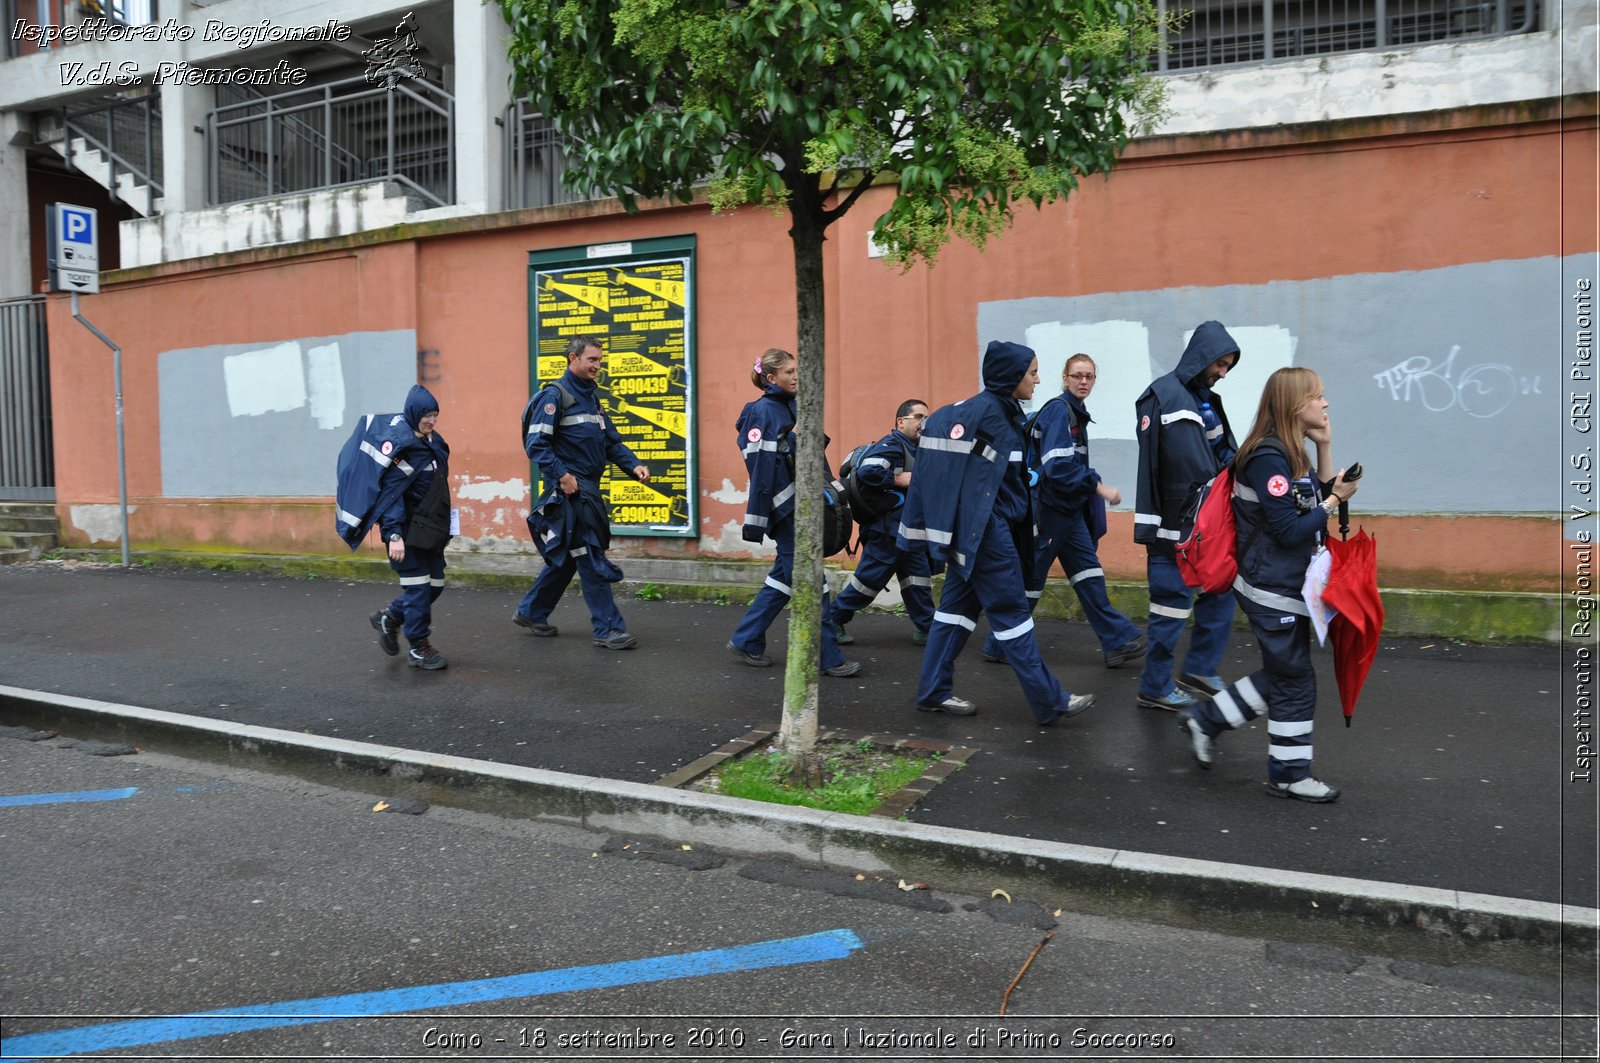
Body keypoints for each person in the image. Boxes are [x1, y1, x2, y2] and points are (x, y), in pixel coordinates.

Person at [1177, 367, 1360, 802]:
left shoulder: (1288, 451)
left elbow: (1308, 498)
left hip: (1286, 580)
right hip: (1268, 584)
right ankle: (1289, 775)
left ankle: (1207, 720)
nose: (1325, 403)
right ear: (1295, 404)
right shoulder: (1267, 457)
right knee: (1295, 679)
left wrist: (1325, 449)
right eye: (1318, 396)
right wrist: (1336, 502)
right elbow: (1289, 529)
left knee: (1286, 672)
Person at [898, 339, 1095, 724]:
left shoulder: (980, 413)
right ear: (1011, 377)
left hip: (970, 532)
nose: (1037, 381)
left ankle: (933, 691)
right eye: (1032, 373)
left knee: (954, 611)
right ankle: (1050, 701)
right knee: (1012, 613)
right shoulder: (995, 419)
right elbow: (990, 487)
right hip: (988, 533)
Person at [980, 354, 1145, 669]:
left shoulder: (1075, 414)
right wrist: (1098, 487)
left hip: (1067, 513)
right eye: (1077, 376)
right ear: (1065, 377)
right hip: (1047, 513)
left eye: (1089, 377)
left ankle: (1116, 641)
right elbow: (1058, 468)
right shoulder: (1059, 412)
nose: (1084, 382)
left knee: (1089, 575)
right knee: (1031, 582)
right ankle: (999, 643)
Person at [727, 347, 860, 677]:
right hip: (787, 512)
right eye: (789, 372)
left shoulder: (785, 407)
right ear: (771, 378)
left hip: (798, 508)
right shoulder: (763, 412)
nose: (796, 375)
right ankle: (829, 657)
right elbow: (761, 469)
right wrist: (759, 519)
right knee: (813, 581)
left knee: (783, 580)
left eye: (797, 370)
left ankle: (746, 638)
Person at [514, 336, 650, 650]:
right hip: (570, 493)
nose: (597, 366)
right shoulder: (554, 396)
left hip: (587, 488)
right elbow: (536, 445)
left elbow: (610, 443)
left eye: (600, 361)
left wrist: (634, 465)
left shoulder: (592, 399)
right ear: (573, 358)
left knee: (569, 557)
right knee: (589, 555)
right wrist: (562, 475)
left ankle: (531, 611)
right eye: (592, 360)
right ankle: (608, 629)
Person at [1133, 321, 1241, 711]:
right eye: (1220, 364)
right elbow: (1194, 466)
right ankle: (1155, 686)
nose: (1223, 373)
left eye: (1228, 366)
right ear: (1203, 356)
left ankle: (1198, 667)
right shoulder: (1170, 396)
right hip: (1174, 525)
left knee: (1220, 586)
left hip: (1202, 522)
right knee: (1171, 605)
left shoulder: (1201, 398)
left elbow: (1223, 452)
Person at [336, 384, 452, 670]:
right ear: (414, 413)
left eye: (435, 414)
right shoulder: (402, 448)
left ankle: (389, 618)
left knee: (435, 584)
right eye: (427, 415)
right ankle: (418, 647)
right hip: (405, 531)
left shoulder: (433, 442)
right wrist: (394, 534)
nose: (432, 420)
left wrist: (446, 524)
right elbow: (391, 496)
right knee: (418, 588)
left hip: (430, 528)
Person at [827, 399, 936, 646]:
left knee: (917, 579)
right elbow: (868, 471)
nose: (923, 423)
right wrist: (898, 480)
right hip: (888, 531)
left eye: (926, 418)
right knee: (868, 582)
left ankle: (926, 628)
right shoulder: (893, 444)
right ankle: (833, 618)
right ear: (901, 421)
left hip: (906, 530)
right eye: (918, 417)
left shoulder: (914, 448)